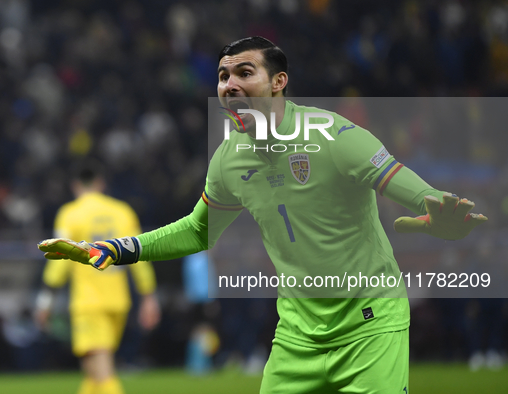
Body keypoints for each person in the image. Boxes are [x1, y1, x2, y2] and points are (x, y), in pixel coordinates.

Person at [39, 37, 487, 393]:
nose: (229, 85)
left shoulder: (335, 136)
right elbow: (198, 231)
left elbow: (404, 184)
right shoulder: (229, 161)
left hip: (369, 326)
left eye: (244, 73)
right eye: (222, 76)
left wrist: (434, 207)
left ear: (278, 82)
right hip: (297, 335)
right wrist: (120, 250)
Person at [35, 162, 160, 394]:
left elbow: (59, 262)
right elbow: (141, 256)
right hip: (118, 302)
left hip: (88, 304)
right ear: (100, 183)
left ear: (75, 186)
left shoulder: (69, 214)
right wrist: (149, 296)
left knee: (102, 374)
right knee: (93, 372)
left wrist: (45, 302)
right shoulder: (123, 212)